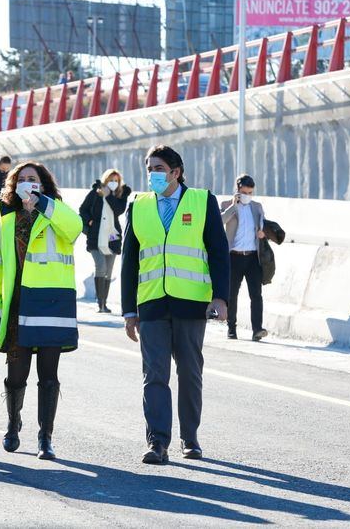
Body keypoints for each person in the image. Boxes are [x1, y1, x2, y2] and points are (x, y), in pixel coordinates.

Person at [121, 145, 229, 464]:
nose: (152, 174)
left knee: (190, 372)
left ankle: (190, 438)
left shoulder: (201, 201)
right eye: (149, 169)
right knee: (154, 373)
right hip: (152, 303)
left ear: (175, 172)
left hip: (191, 302)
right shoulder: (138, 206)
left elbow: (218, 251)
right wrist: (129, 311)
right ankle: (157, 442)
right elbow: (129, 261)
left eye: (158, 168)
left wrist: (221, 297)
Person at [0, 161, 83, 460]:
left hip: (52, 304)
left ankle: (45, 437)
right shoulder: (1, 225)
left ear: (44, 186)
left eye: (34, 179)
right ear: (13, 187)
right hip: (17, 308)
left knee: (48, 375)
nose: (28, 184)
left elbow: (75, 228)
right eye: (22, 179)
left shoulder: (56, 216)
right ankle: (13, 424)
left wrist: (45, 205)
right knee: (17, 375)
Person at [220, 174, 267, 342]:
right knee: (232, 294)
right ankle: (231, 328)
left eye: (250, 192)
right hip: (234, 257)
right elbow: (220, 222)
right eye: (244, 192)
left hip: (253, 257)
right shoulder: (227, 205)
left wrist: (262, 233)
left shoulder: (257, 207)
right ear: (238, 190)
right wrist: (233, 206)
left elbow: (263, 225)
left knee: (256, 295)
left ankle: (257, 329)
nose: (247, 195)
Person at [79, 169, 132, 313]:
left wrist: (109, 196)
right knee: (100, 266)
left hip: (112, 236)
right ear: (105, 180)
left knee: (108, 270)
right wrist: (89, 220)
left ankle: (104, 303)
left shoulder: (122, 194)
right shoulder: (96, 192)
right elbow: (82, 209)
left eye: (116, 180)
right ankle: (99, 303)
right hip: (96, 235)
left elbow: (119, 210)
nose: (113, 183)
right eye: (110, 180)